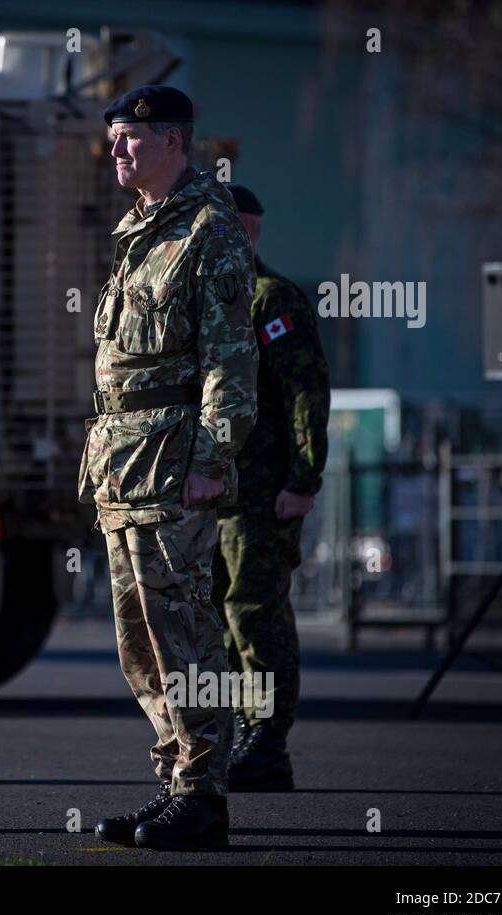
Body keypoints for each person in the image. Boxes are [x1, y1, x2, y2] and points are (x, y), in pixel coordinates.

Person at [83, 86, 259, 850]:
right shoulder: (137, 230)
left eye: (130, 138)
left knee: (185, 628)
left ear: (173, 143)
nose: (117, 152)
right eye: (114, 139)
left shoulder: (207, 229)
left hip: (176, 462)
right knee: (141, 638)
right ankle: (176, 782)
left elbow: (230, 358)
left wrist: (213, 460)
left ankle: (205, 795)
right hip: (125, 463)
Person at [215, 184, 330, 792]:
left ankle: (267, 741)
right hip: (216, 493)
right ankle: (242, 729)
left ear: (247, 230)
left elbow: (305, 390)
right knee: (219, 620)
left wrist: (303, 478)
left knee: (254, 613)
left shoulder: (271, 299)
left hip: (263, 495)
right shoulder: (215, 299)